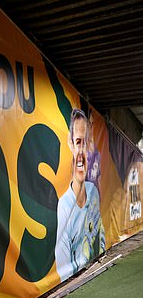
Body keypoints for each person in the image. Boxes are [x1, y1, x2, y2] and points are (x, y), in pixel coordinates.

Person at [55, 108, 105, 282]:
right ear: (70, 144)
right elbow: (62, 273)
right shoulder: (63, 206)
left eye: (85, 143)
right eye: (78, 142)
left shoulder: (93, 193)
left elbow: (101, 237)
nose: (81, 152)